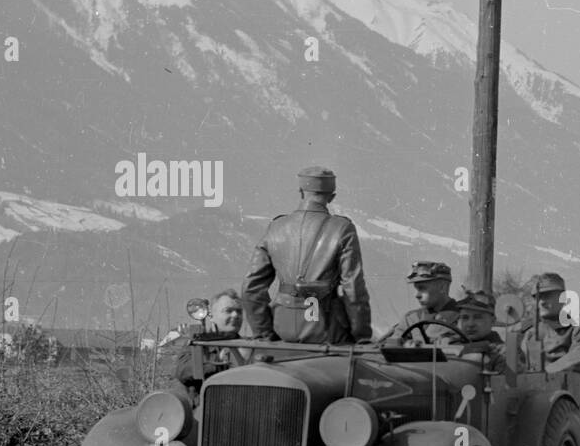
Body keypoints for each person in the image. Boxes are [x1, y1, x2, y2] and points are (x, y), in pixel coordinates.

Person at [243, 166, 371, 344]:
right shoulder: (342, 228)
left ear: (300, 192)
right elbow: (354, 289)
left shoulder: (275, 227)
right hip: (327, 329)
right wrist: (362, 335)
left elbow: (251, 288)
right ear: (332, 196)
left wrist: (264, 333)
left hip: (282, 328)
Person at [170, 289, 249, 396]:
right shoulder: (198, 345)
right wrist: (219, 361)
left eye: (239, 311)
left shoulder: (249, 346)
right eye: (228, 310)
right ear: (211, 316)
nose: (235, 315)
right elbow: (183, 371)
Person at [519, 272, 580, 369]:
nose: (542, 302)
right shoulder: (529, 333)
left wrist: (547, 373)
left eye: (547, 296)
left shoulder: (578, 329)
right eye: (538, 297)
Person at [382, 261, 460, 343]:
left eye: (422, 288)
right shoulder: (411, 319)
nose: (416, 295)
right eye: (416, 289)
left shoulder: (465, 317)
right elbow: (392, 346)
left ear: (442, 287)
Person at [454, 288, 507, 372]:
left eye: (478, 317)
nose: (470, 324)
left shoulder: (503, 353)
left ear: (492, 320)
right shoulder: (450, 348)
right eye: (465, 317)